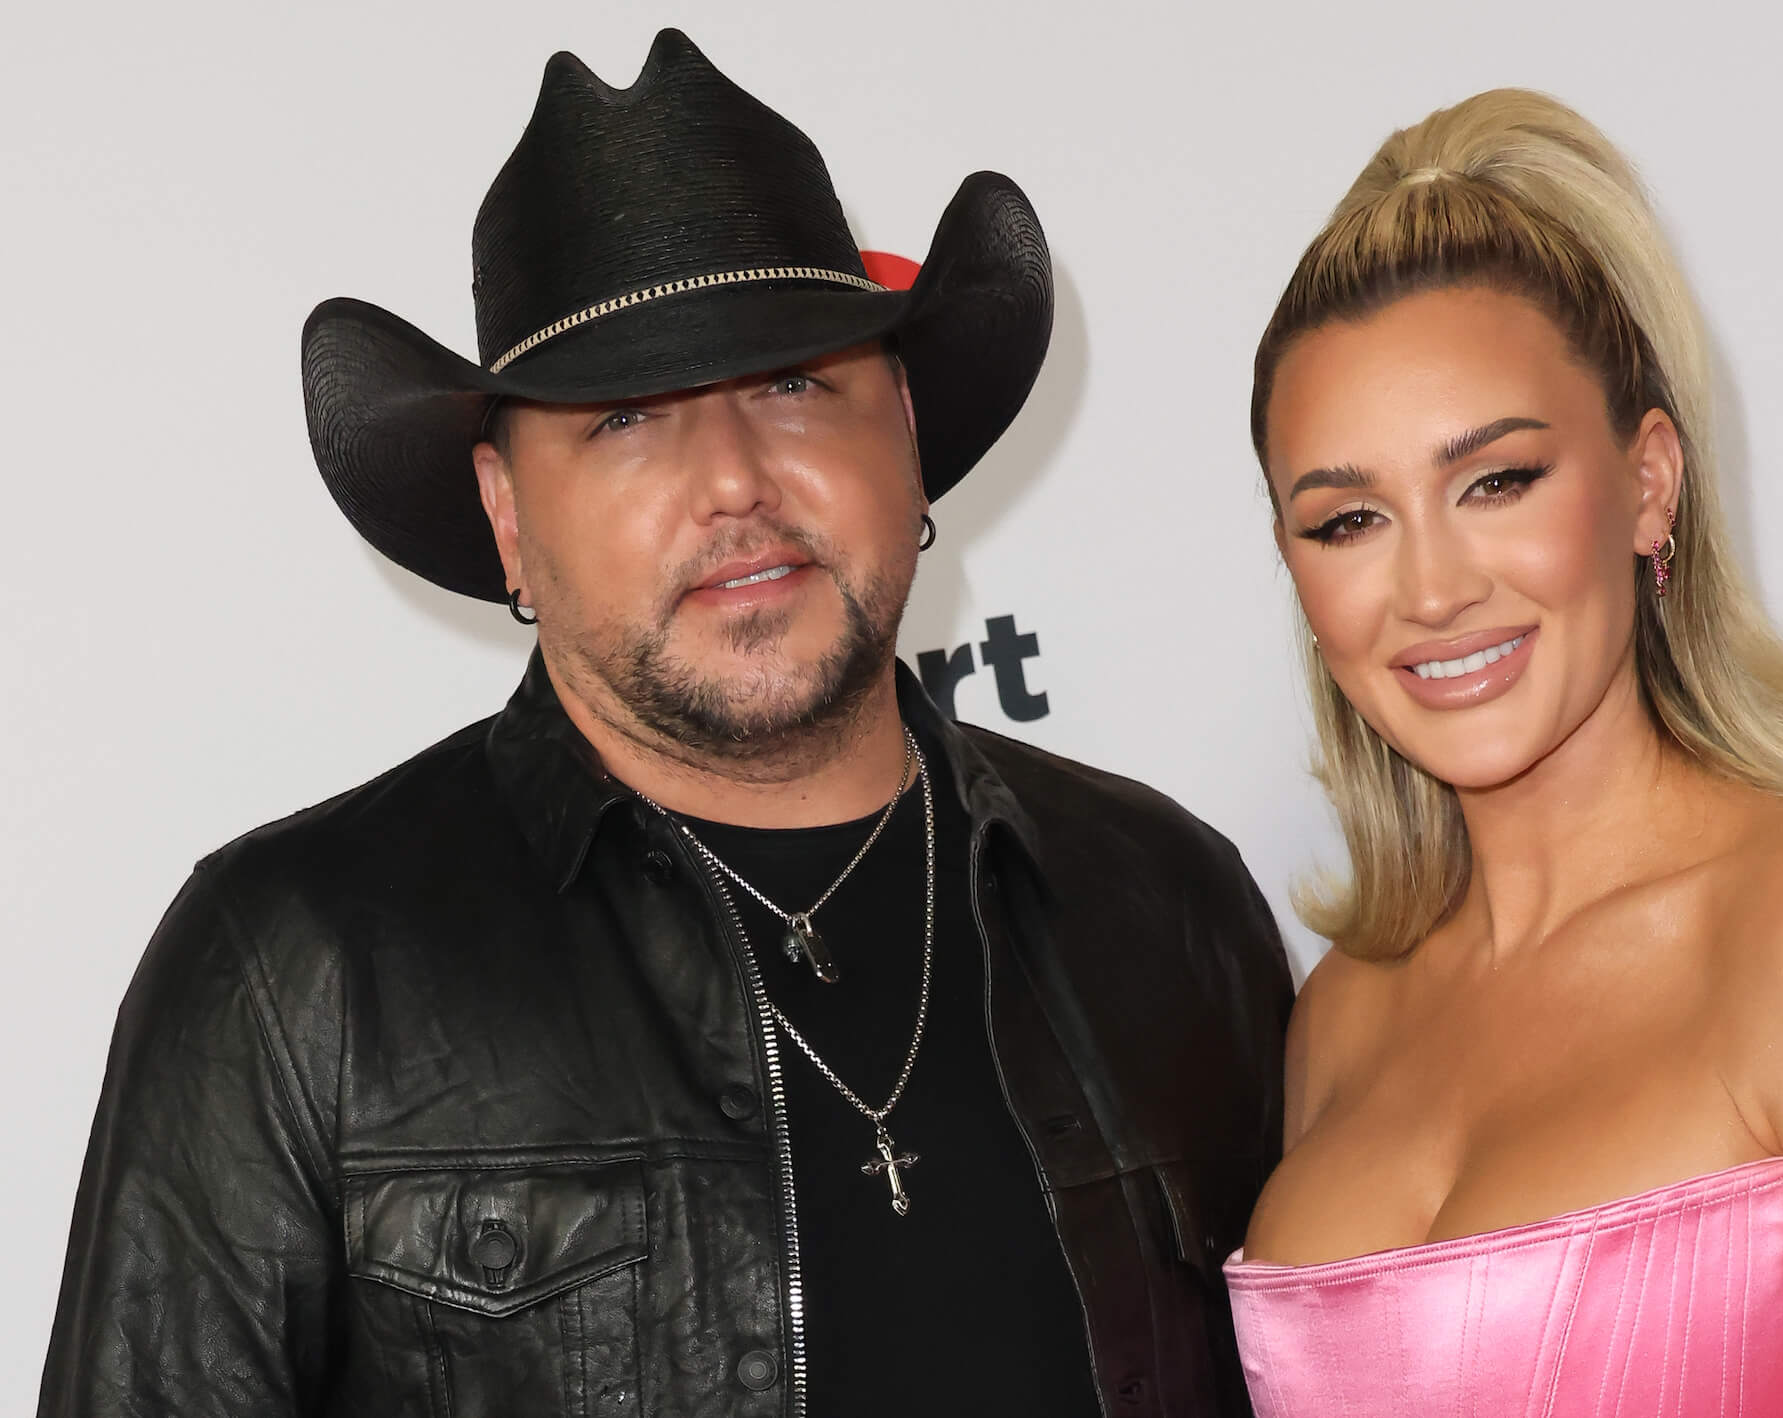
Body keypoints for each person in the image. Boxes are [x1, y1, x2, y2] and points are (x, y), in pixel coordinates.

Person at [39, 31, 1290, 1418]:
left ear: (905, 430)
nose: (734, 481)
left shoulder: (1167, 901)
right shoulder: (293, 971)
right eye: (624, 417)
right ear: (507, 514)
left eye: (793, 383)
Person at [1224, 90, 1783, 1417]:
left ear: (1648, 481)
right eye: (1348, 520)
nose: (1430, 589)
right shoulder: (1342, 1018)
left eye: (1496, 481)